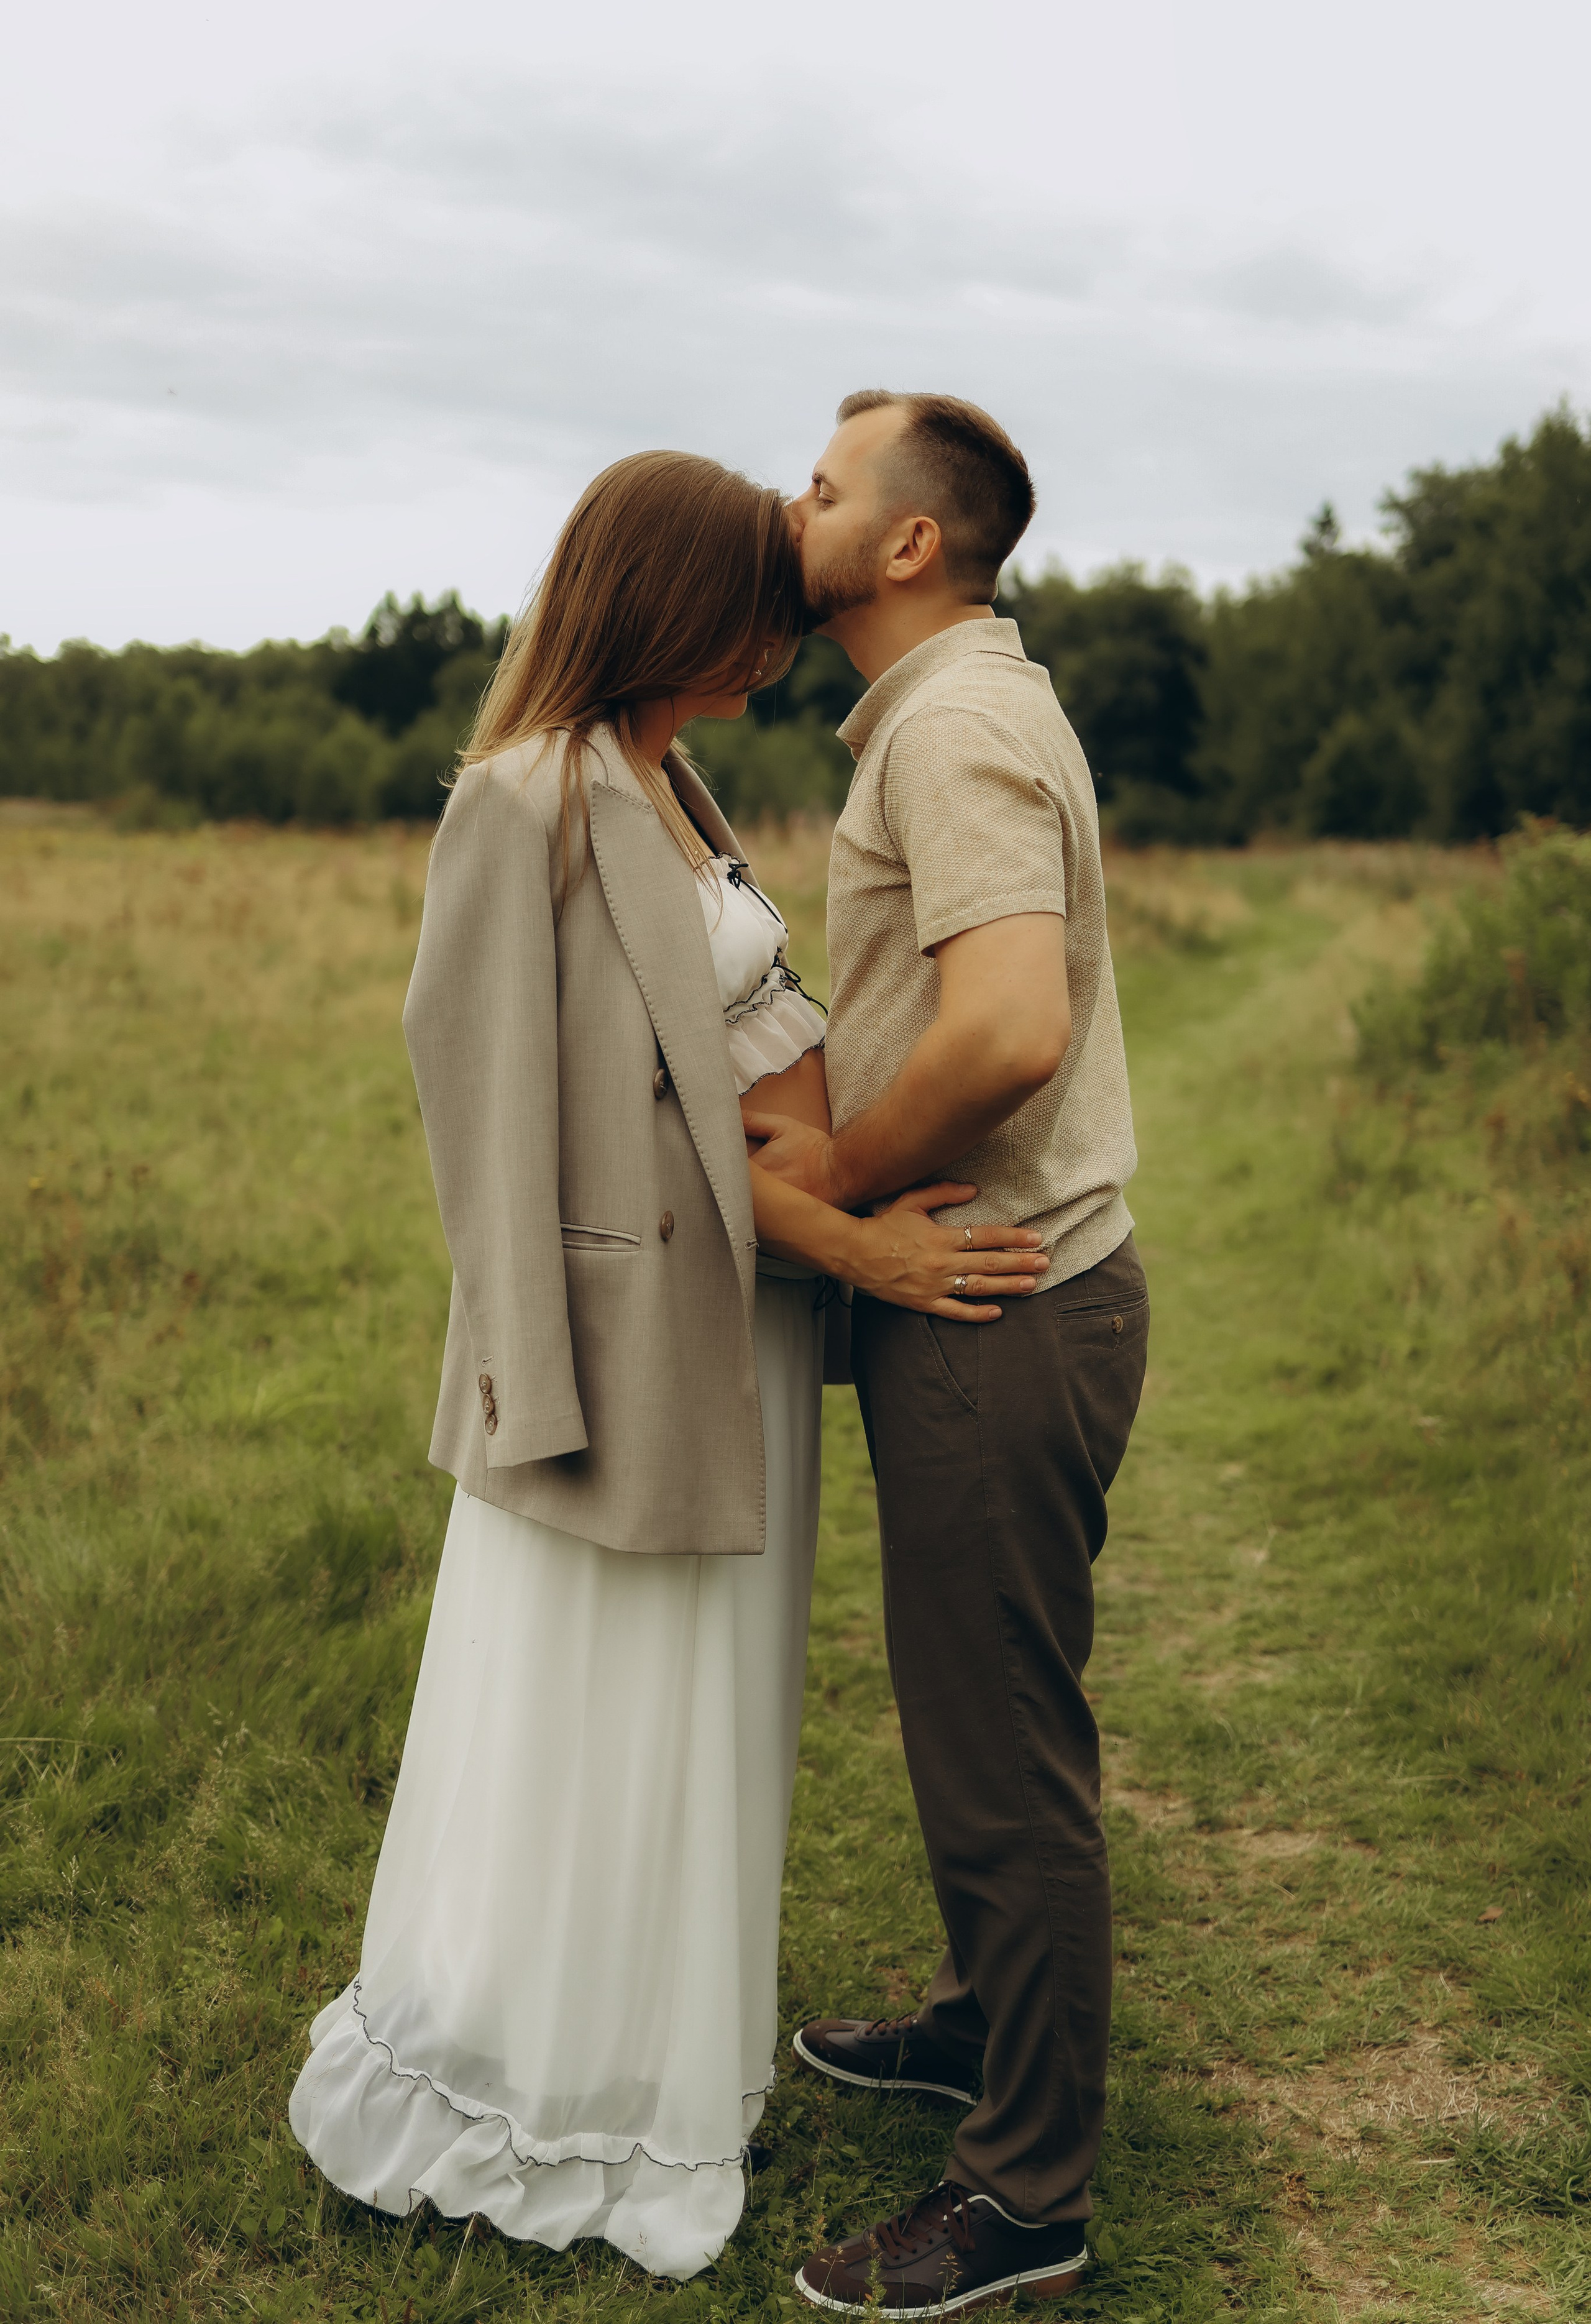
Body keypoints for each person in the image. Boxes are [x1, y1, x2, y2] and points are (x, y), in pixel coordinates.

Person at [287, 450, 1047, 2285]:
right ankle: (533, 2085)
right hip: (618, 1362)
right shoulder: (522, 798)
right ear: (662, 602)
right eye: (752, 613)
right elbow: (511, 1122)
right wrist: (849, 1236)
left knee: (699, 1715)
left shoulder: (665, 778)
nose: (780, 646)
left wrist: (829, 1171)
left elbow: (731, 1038)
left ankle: (647, 2051)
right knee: (585, 1717)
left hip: (737, 1339)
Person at [746, 392, 1149, 2316]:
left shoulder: (963, 725)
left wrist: (839, 1173)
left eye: (826, 487)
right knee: (977, 1716)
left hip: (995, 1294)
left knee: (1003, 1753)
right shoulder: (953, 710)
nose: (792, 504)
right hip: (1004, 1283)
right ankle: (994, 2028)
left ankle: (1025, 2198)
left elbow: (1005, 1034)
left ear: (909, 544)